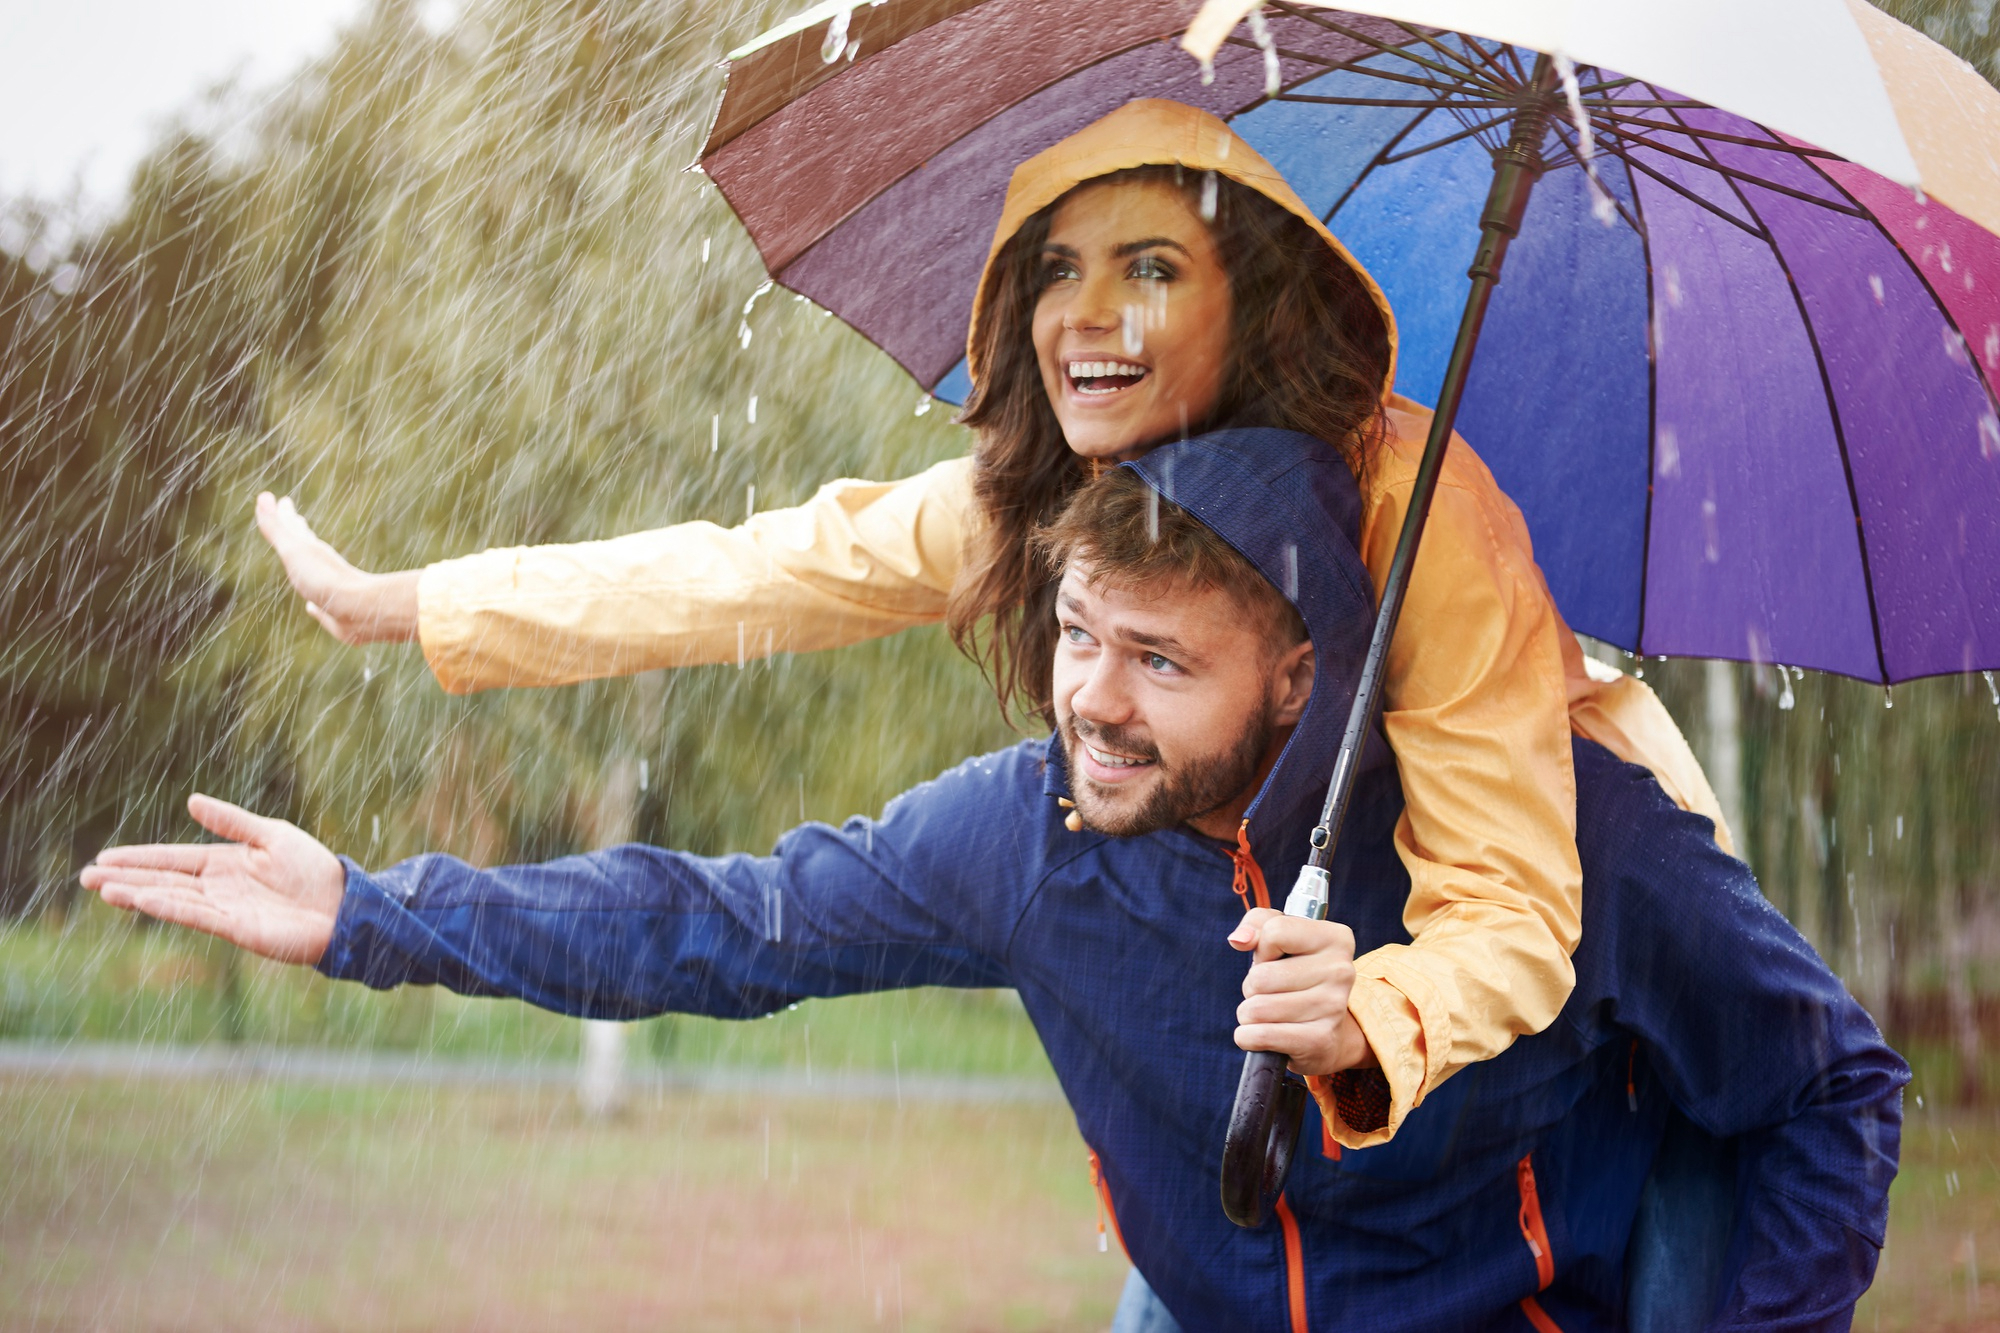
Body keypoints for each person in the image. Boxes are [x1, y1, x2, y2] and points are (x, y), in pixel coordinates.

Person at [88, 430, 1905, 1332]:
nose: (1091, 704)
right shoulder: (1023, 835)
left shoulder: (1560, 823)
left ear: (1301, 672)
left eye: (1160, 665)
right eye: (1074, 634)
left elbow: (1833, 1085)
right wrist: (366, 912)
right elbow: (726, 919)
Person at [253, 99, 1728, 1151]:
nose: (1086, 312)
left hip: (1564, 935)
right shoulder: (1057, 493)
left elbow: (1513, 907)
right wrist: (424, 605)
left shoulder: (1412, 506)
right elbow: (761, 572)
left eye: (1151, 267)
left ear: (1252, 305)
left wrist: (1371, 1020)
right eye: (1057, 267)